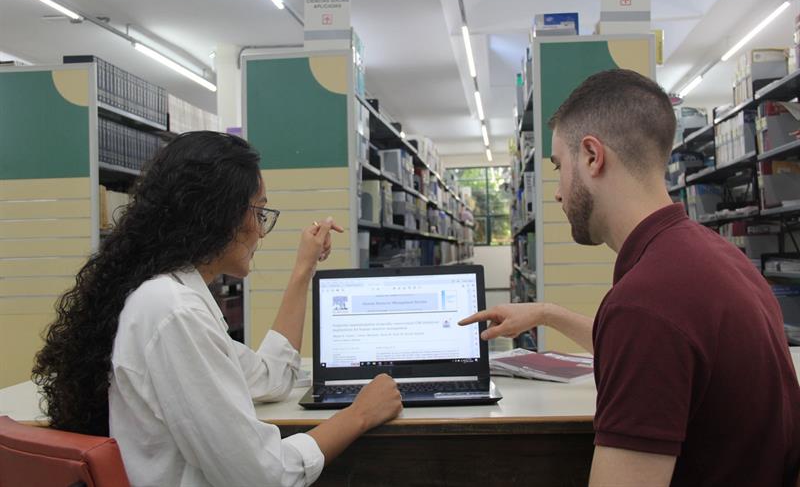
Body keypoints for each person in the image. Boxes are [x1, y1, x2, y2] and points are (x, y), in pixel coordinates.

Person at [460, 69, 800, 486]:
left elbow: (646, 329)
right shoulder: (713, 255)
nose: (558, 192)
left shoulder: (647, 302)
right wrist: (547, 314)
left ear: (592, 156)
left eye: (559, 166)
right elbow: (660, 348)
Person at [33, 131, 403, 487]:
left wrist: (304, 268)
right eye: (259, 212)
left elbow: (270, 377)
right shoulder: (175, 313)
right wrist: (359, 414)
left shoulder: (170, 297)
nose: (261, 230)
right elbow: (262, 476)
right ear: (220, 215)